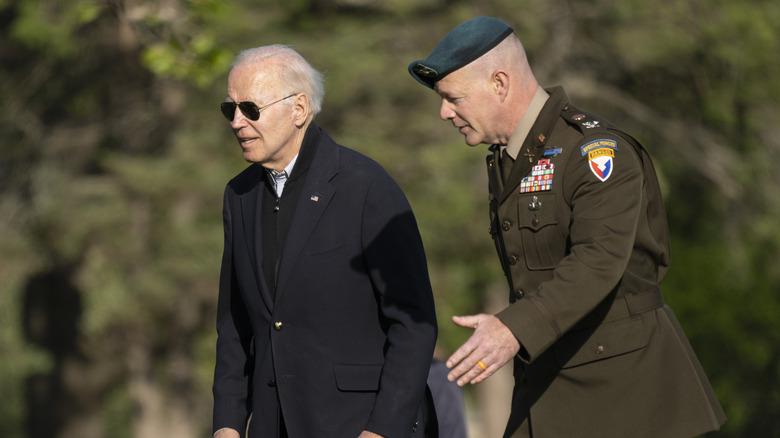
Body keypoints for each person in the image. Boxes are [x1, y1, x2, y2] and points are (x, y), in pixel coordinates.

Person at [408, 16, 726, 438]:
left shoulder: (595, 152)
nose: (444, 113)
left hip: (625, 395)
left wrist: (511, 328)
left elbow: (598, 261)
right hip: (546, 382)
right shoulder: (509, 159)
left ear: (499, 83)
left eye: (453, 98)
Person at [213, 45, 438, 438]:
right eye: (228, 109)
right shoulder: (239, 195)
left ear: (299, 109)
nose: (236, 121)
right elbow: (235, 326)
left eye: (250, 108)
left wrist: (382, 430)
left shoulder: (366, 186)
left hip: (357, 425)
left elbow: (413, 325)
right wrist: (228, 425)